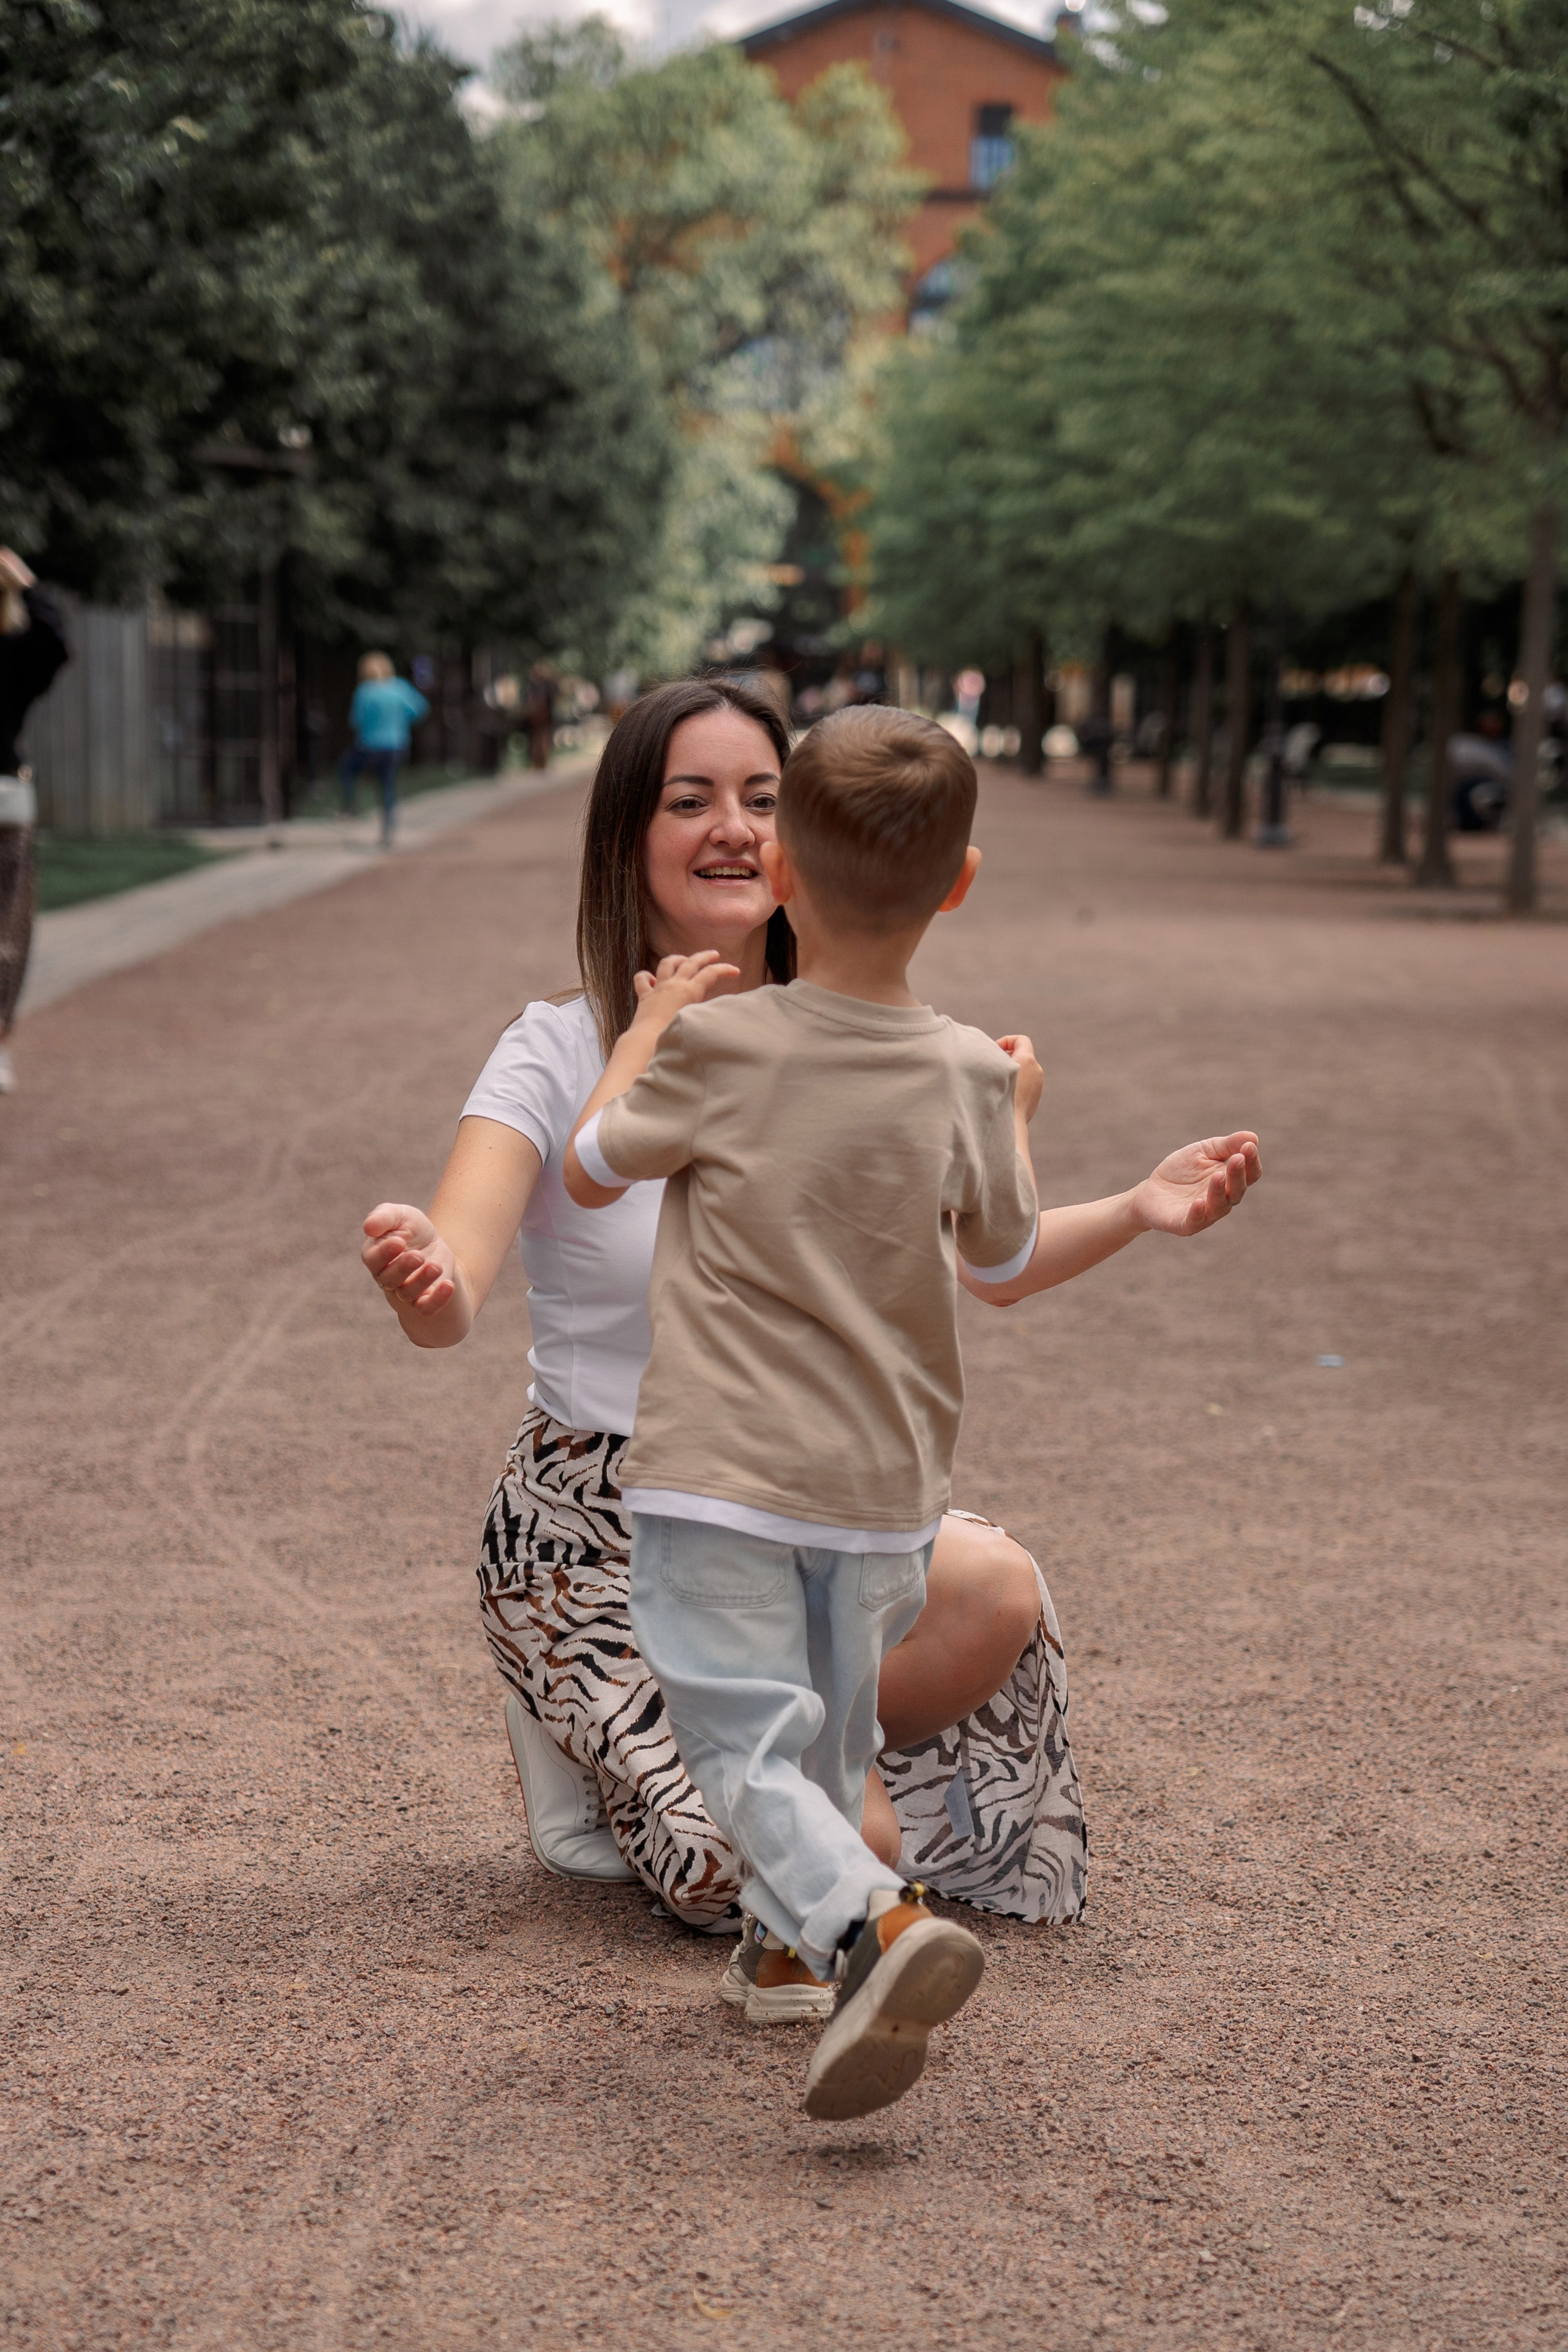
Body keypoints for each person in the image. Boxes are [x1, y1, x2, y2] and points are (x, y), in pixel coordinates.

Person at [360, 681, 1259, 2011]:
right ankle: (667, 1758)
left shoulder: (877, 1043)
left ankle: (775, 1777)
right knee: (814, 1859)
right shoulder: (560, 1047)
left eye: (759, 798)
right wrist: (422, 1277)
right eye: (689, 800)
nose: (730, 828)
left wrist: (1134, 1203)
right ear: (626, 834)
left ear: (799, 844)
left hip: (799, 1490)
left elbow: (988, 1263)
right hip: (605, 1514)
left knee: (993, 1591)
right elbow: (462, 1280)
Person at [0, 548, 70, 1094]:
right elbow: (55, 639)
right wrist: (25, 582)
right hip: (5, 797)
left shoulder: (13, 655)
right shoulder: (16, 655)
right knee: (7, 930)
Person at [338, 652, 428, 846]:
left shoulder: (365, 691)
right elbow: (419, 710)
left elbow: (356, 721)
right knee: (387, 786)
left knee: (346, 767)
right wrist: (400, 721)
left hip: (369, 746)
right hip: (397, 746)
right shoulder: (400, 688)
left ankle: (351, 804)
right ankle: (388, 826)